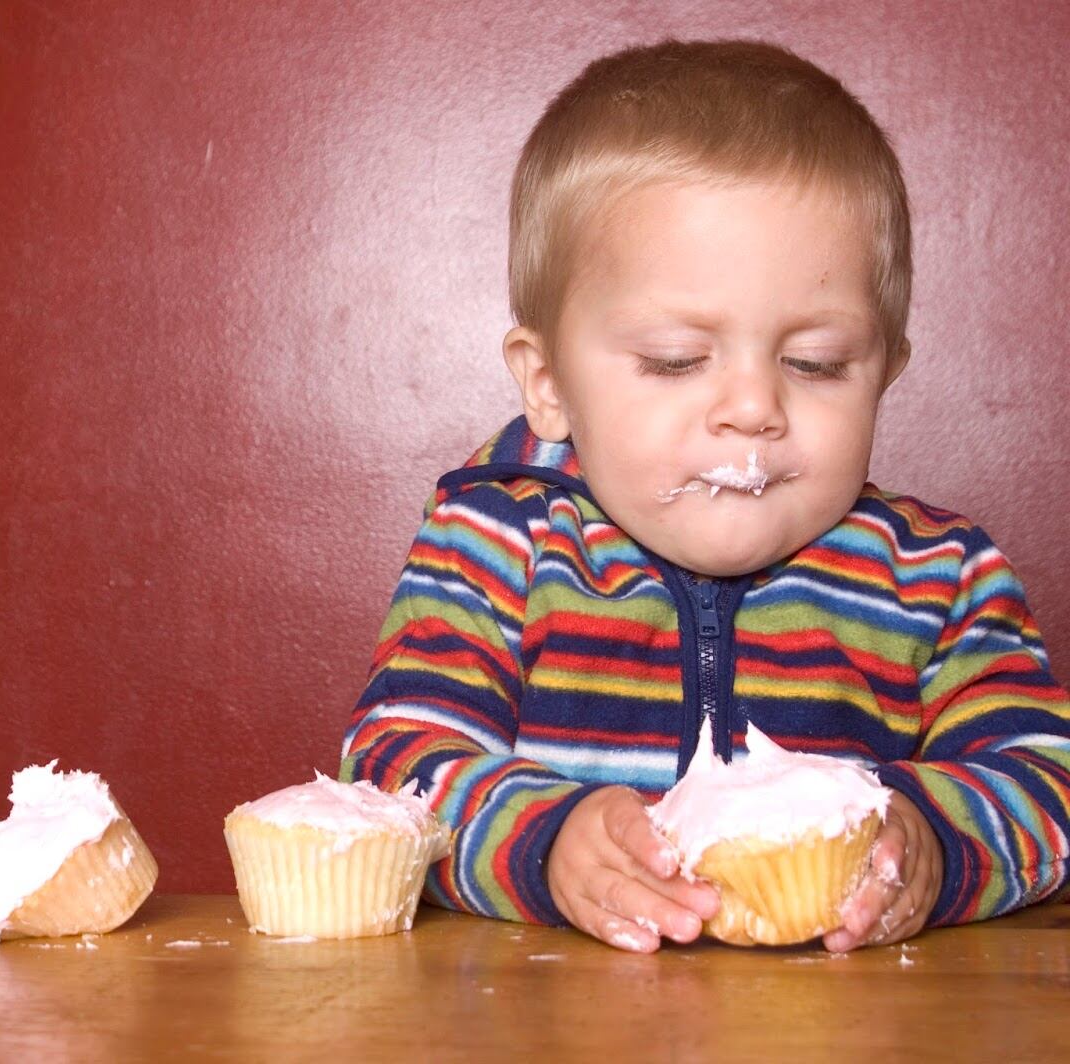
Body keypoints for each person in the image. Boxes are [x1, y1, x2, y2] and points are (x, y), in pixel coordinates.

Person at [339, 38, 1070, 954]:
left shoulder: (938, 575)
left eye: (818, 364)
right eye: (677, 361)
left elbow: (1045, 781)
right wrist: (548, 842)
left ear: (885, 372)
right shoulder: (498, 543)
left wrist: (933, 845)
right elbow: (394, 769)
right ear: (550, 382)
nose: (754, 408)